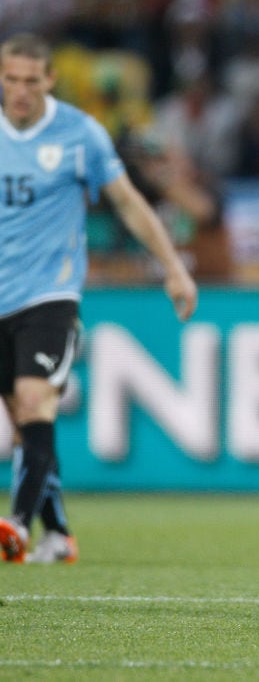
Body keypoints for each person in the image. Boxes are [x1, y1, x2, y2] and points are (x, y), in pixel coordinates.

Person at [0, 33, 198, 564]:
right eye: (10, 79)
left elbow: (129, 203)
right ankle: (59, 535)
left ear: (49, 80)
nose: (19, 91)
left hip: (50, 294)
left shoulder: (77, 133)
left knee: (35, 400)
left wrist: (174, 269)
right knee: (23, 422)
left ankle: (14, 525)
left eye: (29, 80)